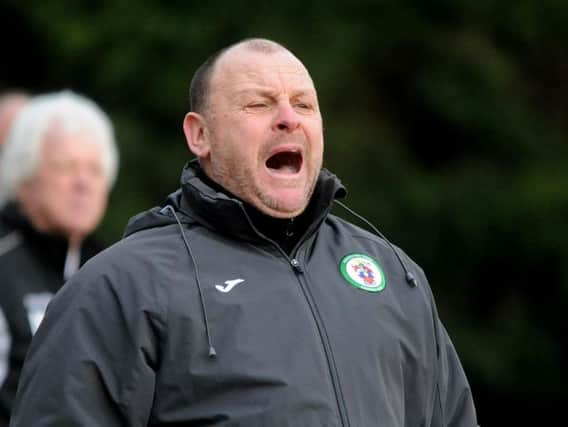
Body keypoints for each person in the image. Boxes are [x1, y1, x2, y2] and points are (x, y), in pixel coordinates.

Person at [10, 39, 477, 426]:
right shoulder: (121, 286)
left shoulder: (395, 276)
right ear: (200, 135)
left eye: (303, 104)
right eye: (258, 104)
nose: (288, 118)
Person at [0, 90, 119, 425]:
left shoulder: (115, 268)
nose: (83, 183)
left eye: (95, 170)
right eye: (66, 167)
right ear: (25, 176)